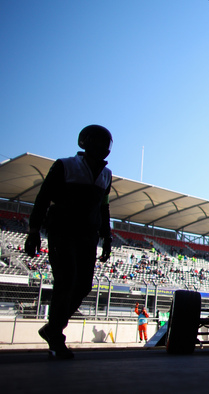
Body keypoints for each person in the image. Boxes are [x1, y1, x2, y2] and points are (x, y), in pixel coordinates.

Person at [25, 125, 113, 359]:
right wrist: (34, 231)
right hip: (62, 232)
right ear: (86, 143)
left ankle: (52, 328)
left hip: (88, 237)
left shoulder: (106, 175)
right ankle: (56, 337)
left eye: (106, 144)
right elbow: (43, 197)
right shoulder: (65, 165)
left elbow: (104, 208)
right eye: (99, 142)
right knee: (66, 281)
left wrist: (107, 237)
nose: (104, 148)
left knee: (83, 285)